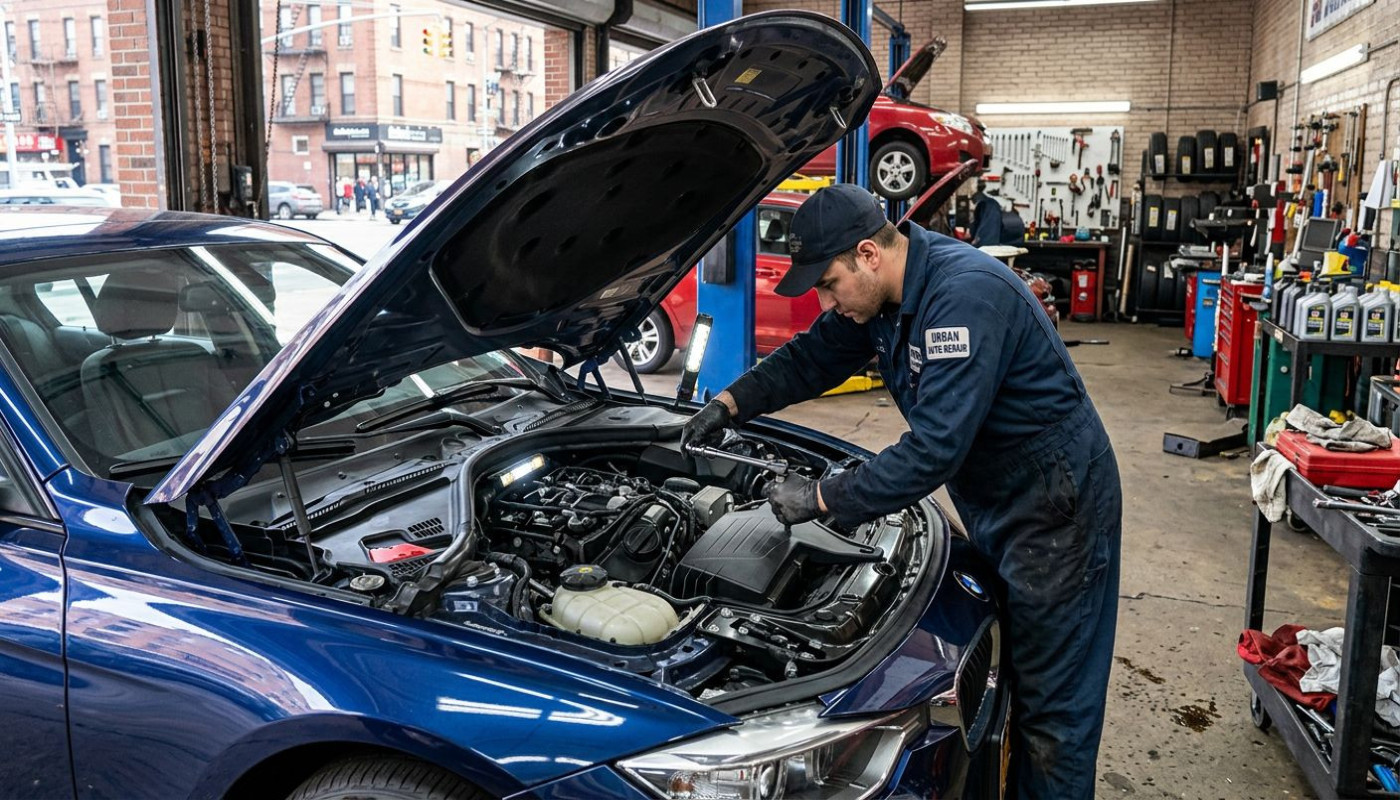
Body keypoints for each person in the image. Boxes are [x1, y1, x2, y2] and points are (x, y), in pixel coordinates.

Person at [681, 183, 1122, 798]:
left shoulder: (963, 298)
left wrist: (823, 497)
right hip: (1000, 493)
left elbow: (933, 452)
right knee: (1013, 676)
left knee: (1054, 712)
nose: (827, 301)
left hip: (1055, 507)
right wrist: (729, 405)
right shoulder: (882, 296)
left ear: (868, 253)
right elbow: (811, 358)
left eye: (829, 284)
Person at [970, 179, 1004, 246]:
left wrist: (975, 238)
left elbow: (977, 224)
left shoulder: (982, 205)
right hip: (995, 240)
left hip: (983, 241)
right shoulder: (993, 203)